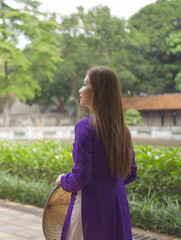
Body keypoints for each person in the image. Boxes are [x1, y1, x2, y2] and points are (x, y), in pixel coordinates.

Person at [55, 66, 137, 240]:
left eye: (85, 85)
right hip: (117, 204)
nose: (80, 90)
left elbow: (81, 178)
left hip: (90, 206)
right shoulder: (123, 130)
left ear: (98, 91)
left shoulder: (85, 127)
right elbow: (130, 174)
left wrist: (63, 180)